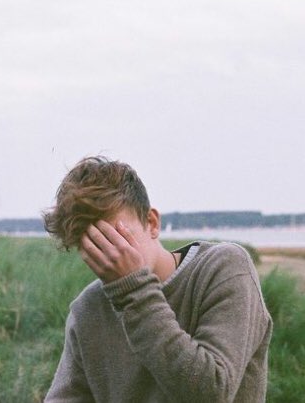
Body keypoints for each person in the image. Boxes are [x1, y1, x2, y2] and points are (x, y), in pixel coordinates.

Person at [42, 156, 272, 402]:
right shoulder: (87, 308)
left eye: (116, 238)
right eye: (94, 247)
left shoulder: (224, 267)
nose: (111, 256)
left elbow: (212, 392)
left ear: (151, 222)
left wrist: (134, 291)